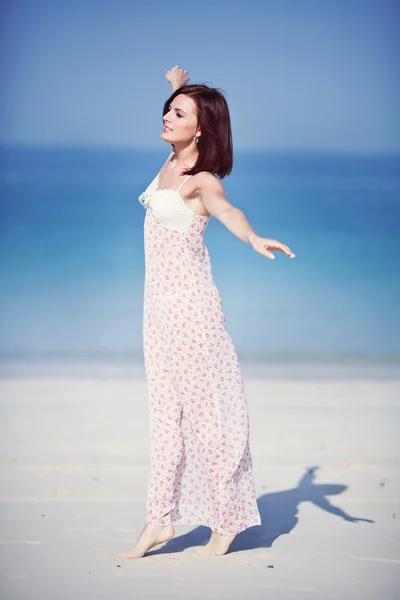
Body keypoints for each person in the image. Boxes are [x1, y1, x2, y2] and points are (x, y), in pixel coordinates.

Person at [117, 66, 295, 559]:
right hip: (156, 313)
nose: (167, 115)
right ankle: (160, 520)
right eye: (168, 109)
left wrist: (253, 237)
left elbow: (228, 210)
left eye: (178, 113)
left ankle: (228, 522)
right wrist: (178, 86)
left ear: (200, 130)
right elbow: (185, 118)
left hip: (192, 313)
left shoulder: (201, 180)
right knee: (165, 418)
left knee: (209, 417)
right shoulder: (171, 162)